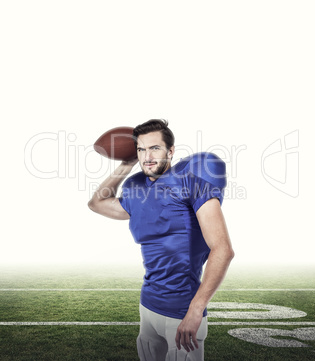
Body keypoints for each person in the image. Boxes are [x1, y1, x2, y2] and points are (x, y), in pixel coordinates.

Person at [88, 119, 234, 361]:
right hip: (148, 306)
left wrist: (196, 310)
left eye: (154, 148)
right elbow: (97, 203)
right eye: (141, 149)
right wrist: (126, 164)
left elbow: (223, 250)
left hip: (182, 310)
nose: (147, 156)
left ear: (171, 151)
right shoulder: (136, 188)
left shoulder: (191, 180)